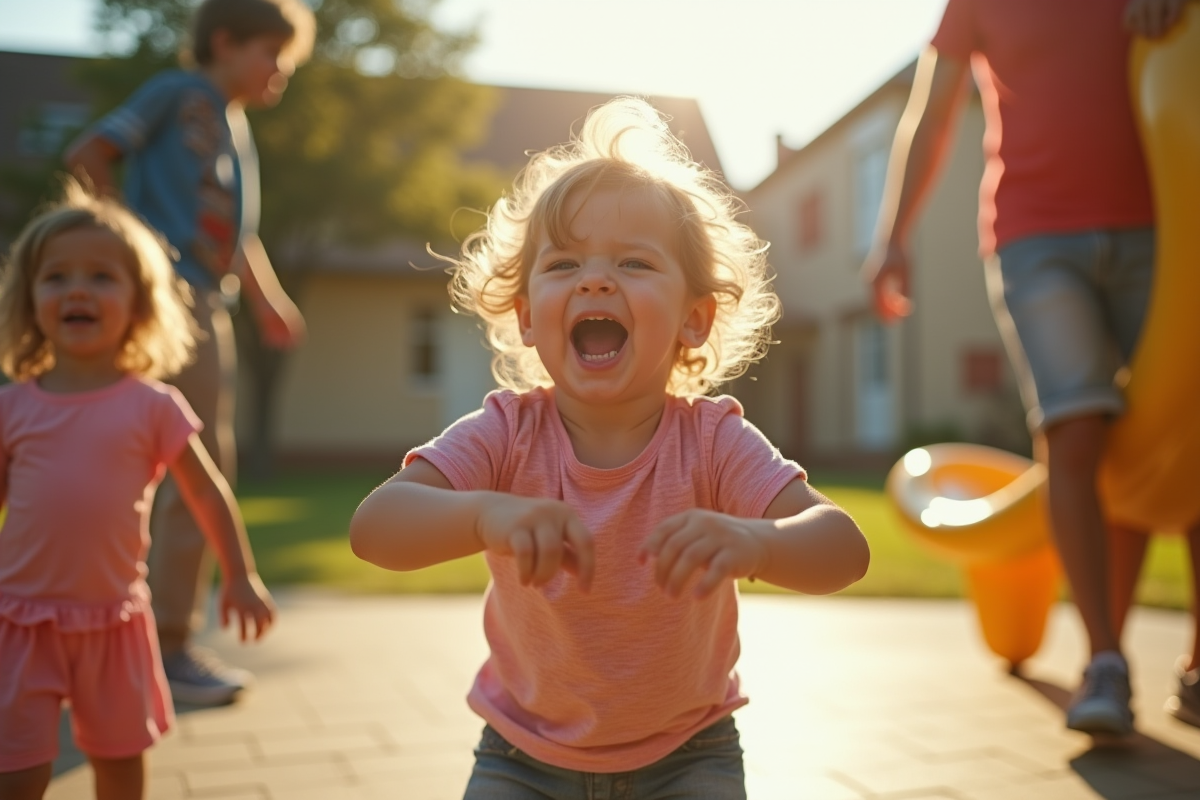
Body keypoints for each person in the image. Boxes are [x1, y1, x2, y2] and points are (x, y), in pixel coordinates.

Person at [349, 98, 870, 799]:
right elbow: (375, 529)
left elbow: (843, 547)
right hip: (521, 756)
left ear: (693, 318)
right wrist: (483, 516)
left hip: (689, 756)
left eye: (633, 262)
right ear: (527, 317)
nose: (595, 280)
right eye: (564, 263)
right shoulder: (506, 432)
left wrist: (759, 542)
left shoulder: (713, 441)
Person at [861, 0, 1192, 736]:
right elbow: (931, 111)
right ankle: (1105, 661)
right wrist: (893, 235)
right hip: (1036, 237)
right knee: (1076, 430)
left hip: (1164, 217)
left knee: (1184, 427)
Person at [65, 0, 313, 707]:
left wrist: (266, 301)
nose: (280, 72)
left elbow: (237, 235)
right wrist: (125, 257)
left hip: (206, 299)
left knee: (163, 460)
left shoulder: (235, 126)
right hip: (170, 300)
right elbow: (90, 153)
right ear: (225, 42)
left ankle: (124, 645)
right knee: (194, 462)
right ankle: (167, 648)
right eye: (272, 55)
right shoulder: (176, 94)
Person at [0, 180, 276, 800]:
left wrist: (239, 575)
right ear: (30, 299)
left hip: (114, 622)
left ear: (140, 304)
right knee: (17, 771)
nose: (77, 290)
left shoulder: (153, 407)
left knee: (121, 764)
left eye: (101, 277)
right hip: (20, 621)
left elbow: (207, 494)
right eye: (56, 277)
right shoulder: (11, 409)